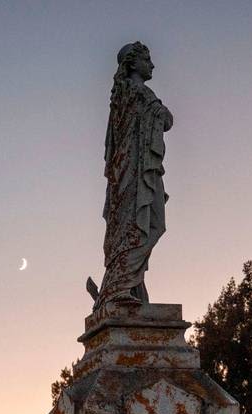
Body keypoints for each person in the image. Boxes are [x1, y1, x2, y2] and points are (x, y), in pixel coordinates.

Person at [96, 41, 173, 307]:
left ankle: (125, 287)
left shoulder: (121, 95)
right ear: (133, 63)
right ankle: (119, 286)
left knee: (134, 226)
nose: (152, 64)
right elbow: (167, 119)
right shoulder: (140, 93)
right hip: (138, 172)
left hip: (126, 172)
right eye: (147, 59)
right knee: (148, 225)